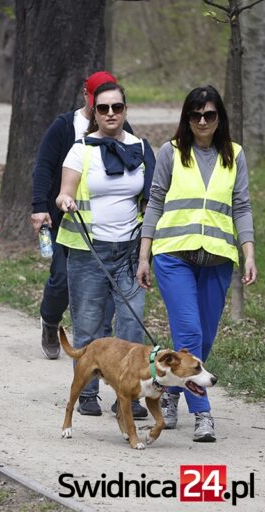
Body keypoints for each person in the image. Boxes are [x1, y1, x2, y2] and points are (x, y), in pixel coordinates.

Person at [136, 85, 256, 442]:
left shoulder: (235, 155)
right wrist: (144, 255)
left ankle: (171, 392)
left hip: (218, 258)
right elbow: (155, 202)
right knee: (189, 331)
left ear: (220, 118)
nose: (202, 121)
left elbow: (242, 206)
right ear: (186, 118)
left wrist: (249, 253)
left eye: (209, 114)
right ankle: (203, 413)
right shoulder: (171, 152)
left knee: (202, 338)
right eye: (195, 115)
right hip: (174, 256)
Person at [55, 82, 155, 418]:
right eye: (103, 108)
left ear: (126, 110)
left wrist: (146, 251)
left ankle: (127, 394)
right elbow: (65, 191)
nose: (111, 113)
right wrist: (65, 201)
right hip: (89, 252)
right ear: (94, 113)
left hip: (130, 252)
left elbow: (152, 200)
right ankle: (87, 391)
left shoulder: (141, 148)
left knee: (131, 325)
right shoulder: (80, 149)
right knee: (89, 324)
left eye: (117, 107)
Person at [30, 71, 128, 360]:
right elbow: (43, 167)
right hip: (66, 219)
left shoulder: (120, 126)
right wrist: (39, 207)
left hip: (107, 225)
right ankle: (50, 320)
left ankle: (98, 344)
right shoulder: (64, 126)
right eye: (98, 100)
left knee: (105, 285)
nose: (108, 110)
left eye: (114, 105)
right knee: (61, 278)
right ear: (87, 95)